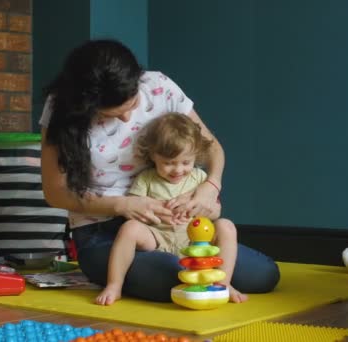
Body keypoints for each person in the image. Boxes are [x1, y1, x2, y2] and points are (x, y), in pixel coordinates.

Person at [39, 39, 280, 303]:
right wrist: (122, 204)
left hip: (179, 227)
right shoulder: (60, 109)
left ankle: (202, 273)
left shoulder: (158, 87)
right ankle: (129, 273)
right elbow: (55, 193)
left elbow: (212, 149)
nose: (127, 119)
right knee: (180, 277)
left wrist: (210, 187)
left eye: (131, 106)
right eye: (111, 114)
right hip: (103, 232)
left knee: (265, 275)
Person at [96, 112, 244, 305]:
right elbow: (135, 212)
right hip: (158, 238)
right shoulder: (146, 179)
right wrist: (156, 215)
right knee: (129, 228)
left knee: (226, 226)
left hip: (195, 241)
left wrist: (196, 208)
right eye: (168, 163)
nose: (178, 170)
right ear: (153, 156)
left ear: (195, 157)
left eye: (185, 162)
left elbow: (215, 212)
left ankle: (222, 285)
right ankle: (114, 285)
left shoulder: (198, 178)